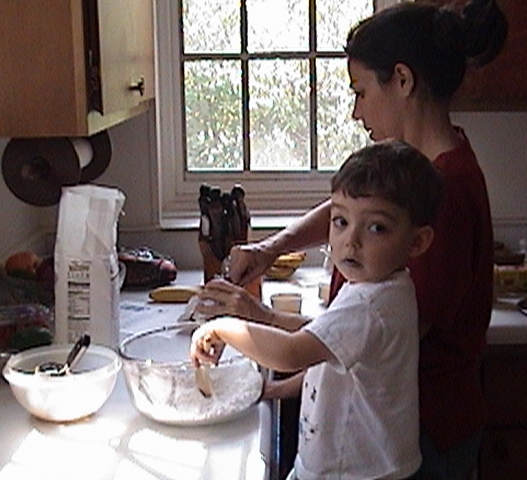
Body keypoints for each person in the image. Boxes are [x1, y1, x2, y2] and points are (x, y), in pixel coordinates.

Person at [202, 1, 508, 479]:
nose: (355, 111)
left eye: (361, 92)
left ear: (402, 80)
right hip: (395, 426)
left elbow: (373, 338)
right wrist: (268, 250)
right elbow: (346, 212)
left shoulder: (445, 192)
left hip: (424, 433)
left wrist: (253, 320)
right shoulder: (416, 171)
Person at [191, 140, 443, 479]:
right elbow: (328, 350)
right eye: (340, 221)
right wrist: (275, 388)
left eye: (376, 227)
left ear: (417, 242)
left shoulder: (370, 305)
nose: (351, 241)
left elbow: (292, 352)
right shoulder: (383, 287)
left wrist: (222, 327)